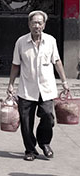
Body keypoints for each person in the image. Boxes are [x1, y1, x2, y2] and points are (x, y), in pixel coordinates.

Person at [7, 10, 69, 161]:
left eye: (39, 23)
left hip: (46, 88)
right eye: (33, 22)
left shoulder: (51, 41)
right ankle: (30, 150)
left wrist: (64, 82)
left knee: (48, 116)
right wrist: (10, 84)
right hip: (27, 89)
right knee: (26, 122)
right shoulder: (21, 42)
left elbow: (57, 61)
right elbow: (16, 64)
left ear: (44, 25)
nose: (36, 26)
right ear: (29, 24)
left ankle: (44, 143)